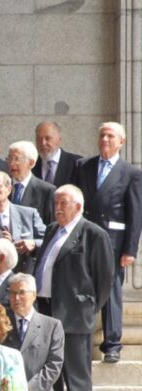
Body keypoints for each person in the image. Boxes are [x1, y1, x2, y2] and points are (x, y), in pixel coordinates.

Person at [34, 185, 113, 391]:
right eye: (56, 203)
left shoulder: (93, 233)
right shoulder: (51, 230)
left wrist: (88, 306)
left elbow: (104, 279)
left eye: (63, 203)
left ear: (78, 206)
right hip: (45, 310)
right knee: (51, 372)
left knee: (76, 372)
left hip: (74, 313)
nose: (57, 208)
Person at [75, 122, 141, 364]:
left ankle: (112, 344)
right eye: (102, 134)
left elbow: (135, 214)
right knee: (82, 289)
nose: (104, 139)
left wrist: (130, 249)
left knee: (112, 291)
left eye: (110, 136)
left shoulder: (130, 173)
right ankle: (82, 339)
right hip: (84, 239)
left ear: (121, 142)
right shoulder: (83, 166)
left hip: (113, 242)